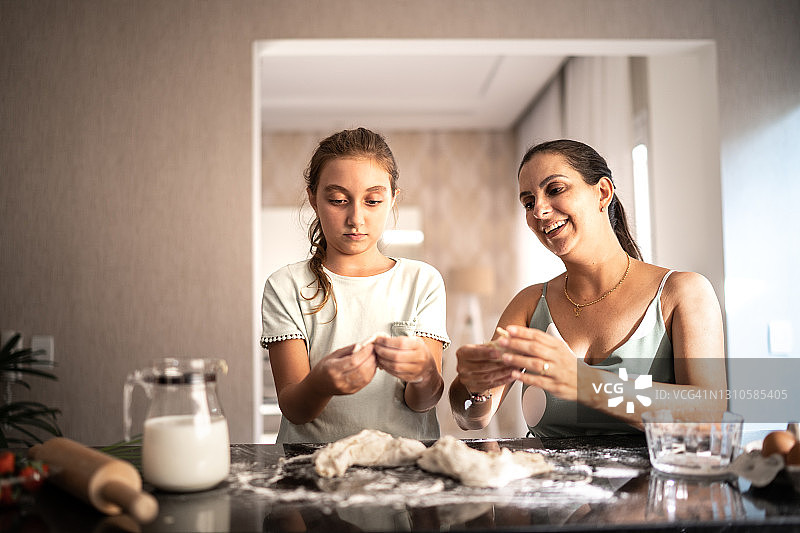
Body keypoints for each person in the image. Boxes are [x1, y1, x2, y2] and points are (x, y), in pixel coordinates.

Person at [449, 139, 727, 437]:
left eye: (555, 189)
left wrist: (585, 383)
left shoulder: (682, 292)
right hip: (546, 483)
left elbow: (709, 414)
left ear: (603, 193)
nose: (539, 210)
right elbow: (472, 420)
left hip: (653, 484)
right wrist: (474, 387)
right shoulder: (529, 304)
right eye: (528, 202)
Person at [261, 127, 449, 444]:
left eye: (373, 200)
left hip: (406, 467)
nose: (356, 218)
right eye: (337, 200)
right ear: (313, 198)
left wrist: (425, 373)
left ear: (392, 200)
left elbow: (423, 402)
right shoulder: (286, 285)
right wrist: (321, 383)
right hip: (312, 469)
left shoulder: (422, 281)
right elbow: (294, 408)